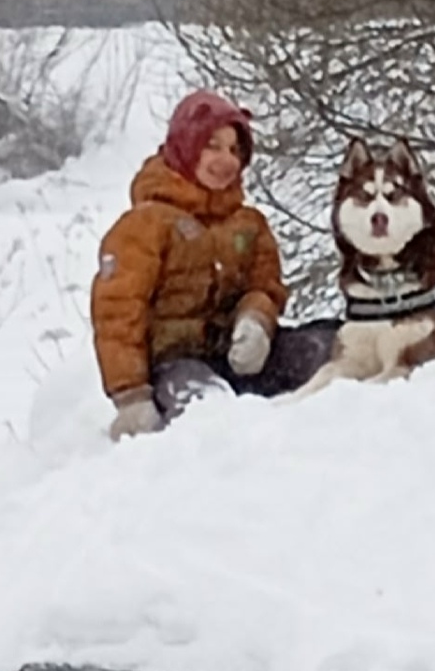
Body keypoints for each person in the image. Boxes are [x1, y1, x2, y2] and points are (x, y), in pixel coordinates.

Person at [91, 89, 335, 439]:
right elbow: (116, 312)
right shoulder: (145, 225)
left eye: (235, 150)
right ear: (186, 147)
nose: (226, 159)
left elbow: (264, 286)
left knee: (334, 350)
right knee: (209, 412)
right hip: (176, 366)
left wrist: (257, 322)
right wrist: (130, 395)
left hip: (240, 359)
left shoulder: (248, 224)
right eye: (213, 146)